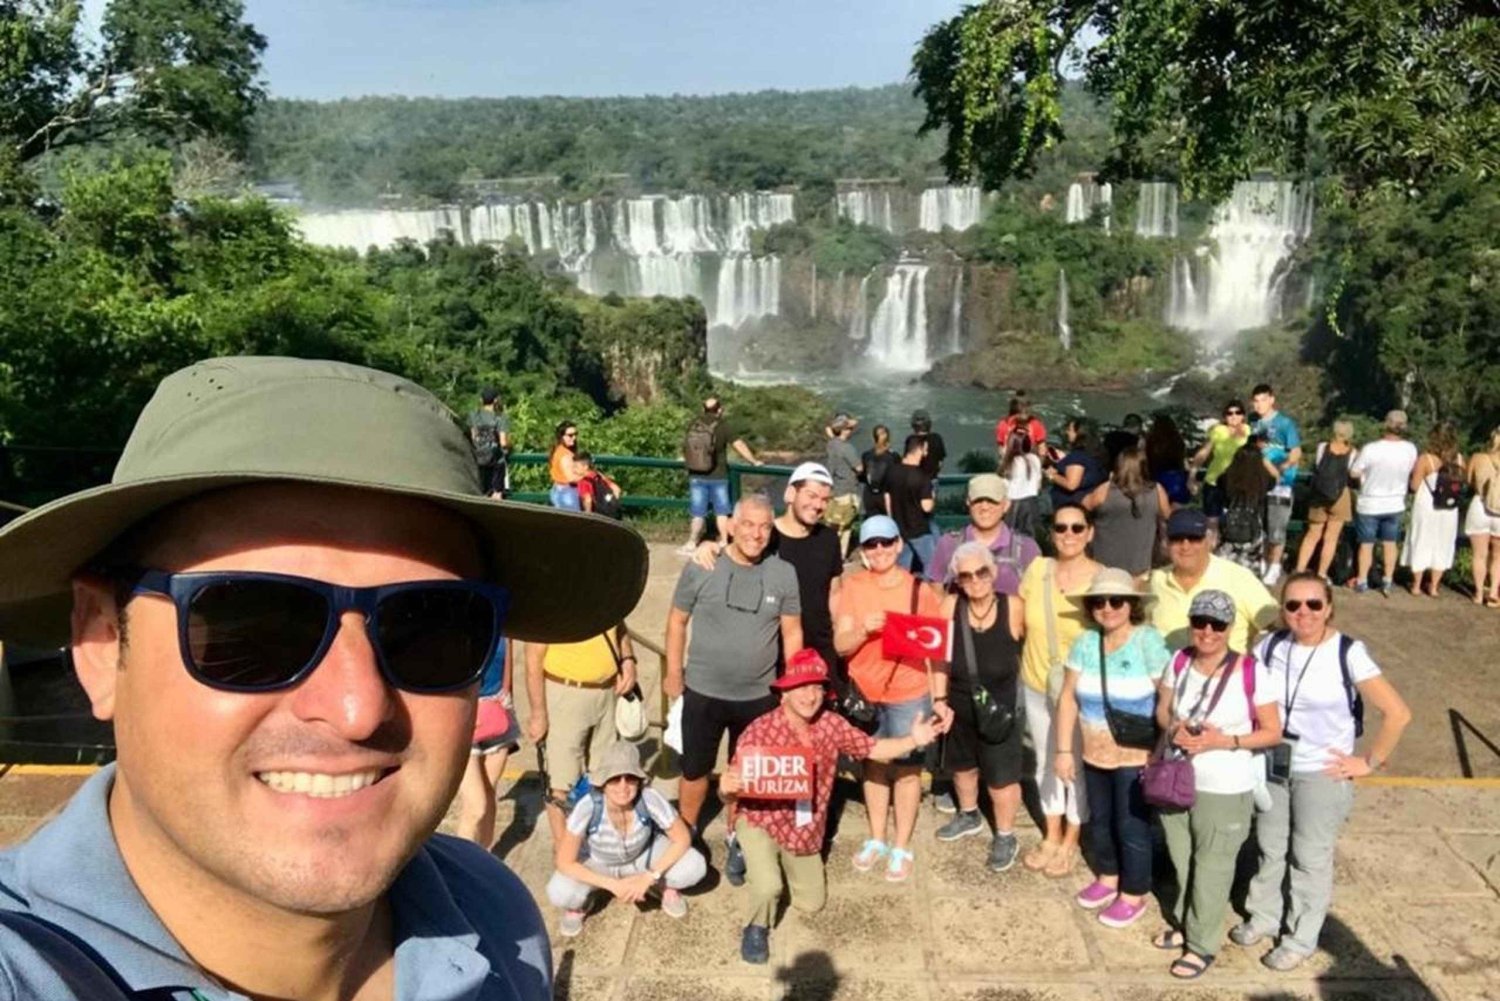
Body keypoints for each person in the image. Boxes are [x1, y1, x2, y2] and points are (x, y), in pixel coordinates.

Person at [0, 357, 651, 999]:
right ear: (99, 641)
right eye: (252, 625)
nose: (357, 706)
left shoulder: (496, 917)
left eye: (429, 627)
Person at [1235, 572, 1412, 971]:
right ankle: (1263, 915)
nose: (1303, 613)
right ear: (1282, 610)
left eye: (1314, 604)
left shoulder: (1348, 652)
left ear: (1329, 607)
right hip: (1274, 764)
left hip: (1322, 771)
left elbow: (1398, 713)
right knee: (1269, 845)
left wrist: (1367, 762)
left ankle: (1300, 937)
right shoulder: (1270, 646)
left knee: (1309, 856)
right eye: (1293, 605)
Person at [719, 649, 942, 964]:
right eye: (801, 687)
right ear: (783, 693)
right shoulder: (758, 731)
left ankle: (767, 862)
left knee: (811, 903)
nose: (810, 696)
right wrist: (725, 791)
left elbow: (873, 748)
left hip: (803, 825)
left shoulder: (831, 725)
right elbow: (733, 792)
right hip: (760, 820)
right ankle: (755, 924)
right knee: (768, 887)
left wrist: (913, 740)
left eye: (816, 687)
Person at [665, 494, 802, 869]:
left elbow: (792, 633)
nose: (756, 534)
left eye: (764, 527)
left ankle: (736, 834)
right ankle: (686, 832)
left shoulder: (783, 573)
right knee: (694, 769)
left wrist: (791, 688)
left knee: (745, 773)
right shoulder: (702, 566)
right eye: (748, 524)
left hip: (758, 696)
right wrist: (673, 674)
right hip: (703, 691)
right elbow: (677, 621)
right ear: (732, 526)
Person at [1152, 590, 1284, 979]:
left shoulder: (1251, 671)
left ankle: (1202, 944)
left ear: (1230, 628)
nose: (1207, 631)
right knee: (1181, 857)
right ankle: (1185, 922)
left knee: (1213, 864)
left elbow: (1272, 731)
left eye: (1217, 624)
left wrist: (1221, 740)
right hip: (1178, 777)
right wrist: (1174, 727)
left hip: (1225, 784)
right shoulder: (1178, 661)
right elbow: (1162, 709)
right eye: (1200, 622)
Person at [831, 515, 952, 883]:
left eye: (886, 542)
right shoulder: (851, 588)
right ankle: (877, 837)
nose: (880, 550)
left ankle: (901, 845)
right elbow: (840, 645)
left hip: (909, 692)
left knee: (908, 769)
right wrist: (863, 631)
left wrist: (940, 698)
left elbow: (937, 652)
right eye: (871, 544)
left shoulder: (921, 591)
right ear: (863, 551)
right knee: (873, 765)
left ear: (900, 545)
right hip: (865, 694)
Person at [1053, 568, 1171, 929]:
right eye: (1100, 601)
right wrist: (1063, 750)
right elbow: (1069, 696)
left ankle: (1134, 892)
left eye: (1116, 600)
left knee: (1131, 824)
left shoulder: (1148, 641)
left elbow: (1167, 697)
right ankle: (1108, 876)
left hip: (1137, 753)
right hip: (1094, 751)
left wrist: (1161, 749)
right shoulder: (1086, 643)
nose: (1108, 608)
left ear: (1131, 605)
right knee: (1101, 820)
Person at [694, 463, 844, 694]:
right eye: (812, 496)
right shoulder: (765, 536)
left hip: (819, 652)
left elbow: (835, 592)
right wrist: (709, 545)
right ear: (790, 494)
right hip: (770, 655)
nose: (818, 505)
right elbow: (735, 549)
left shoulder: (829, 539)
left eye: (825, 499)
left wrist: (840, 635)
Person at [1016, 503, 1101, 877]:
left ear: (1090, 532)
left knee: (1075, 767)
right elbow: (1019, 619)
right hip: (1036, 681)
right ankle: (1051, 832)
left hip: (1080, 691)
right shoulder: (1038, 570)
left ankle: (1071, 838)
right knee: (1044, 762)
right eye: (1061, 527)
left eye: (1077, 528)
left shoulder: (1102, 580)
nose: (1068, 535)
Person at [546, 741, 706, 938]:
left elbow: (682, 838)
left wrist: (650, 876)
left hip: (643, 855)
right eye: (614, 779)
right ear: (602, 783)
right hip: (599, 862)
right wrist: (612, 884)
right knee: (560, 892)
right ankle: (582, 904)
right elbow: (564, 861)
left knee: (694, 866)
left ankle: (661, 886)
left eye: (630, 778)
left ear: (639, 780)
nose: (623, 786)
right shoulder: (587, 807)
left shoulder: (649, 798)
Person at [933, 542, 1027, 871]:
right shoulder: (949, 606)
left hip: (1000, 706)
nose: (975, 580)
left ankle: (1005, 834)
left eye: (982, 572)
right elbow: (938, 657)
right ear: (957, 579)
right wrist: (939, 700)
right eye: (966, 575)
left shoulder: (1013, 607)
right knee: (962, 766)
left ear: (995, 572)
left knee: (1001, 777)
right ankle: (969, 813)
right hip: (958, 702)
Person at [526, 622, 637, 842]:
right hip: (567, 693)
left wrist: (628, 660)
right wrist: (538, 713)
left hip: (608, 693)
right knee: (560, 781)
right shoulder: (552, 603)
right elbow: (532, 660)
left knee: (607, 773)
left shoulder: (609, 595)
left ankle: (600, 840)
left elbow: (620, 630)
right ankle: (564, 851)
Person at [1149, 508, 1279, 651]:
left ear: (1209, 541)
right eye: (1177, 539)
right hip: (1166, 670)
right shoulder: (1156, 580)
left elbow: (1275, 622)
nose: (1185, 546)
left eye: (1194, 538)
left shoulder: (1238, 578)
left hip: (1225, 670)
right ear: (1167, 543)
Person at [928, 474, 1041, 596]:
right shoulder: (948, 544)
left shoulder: (1026, 548)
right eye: (978, 501)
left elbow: (1038, 598)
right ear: (968, 503)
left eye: (992, 501)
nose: (985, 507)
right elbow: (936, 593)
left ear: (1006, 505)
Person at [457, 633, 519, 848]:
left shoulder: (502, 625)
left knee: (489, 793)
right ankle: (461, 868)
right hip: (465, 717)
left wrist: (506, 693)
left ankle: (484, 859)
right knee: (476, 805)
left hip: (498, 711)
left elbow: (507, 657)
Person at [680, 396, 764, 554]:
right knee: (721, 511)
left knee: (698, 512)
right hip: (718, 475)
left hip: (696, 474)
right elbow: (738, 444)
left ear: (703, 409)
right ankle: (724, 541)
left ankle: (691, 542)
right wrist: (753, 461)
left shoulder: (694, 424)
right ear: (720, 410)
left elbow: (687, 446)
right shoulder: (723, 426)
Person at [1348, 409, 1419, 595]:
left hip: (1370, 502)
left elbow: (1354, 472)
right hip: (1395, 502)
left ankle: (1362, 580)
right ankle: (1388, 579)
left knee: (1366, 544)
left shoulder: (1371, 448)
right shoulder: (1410, 449)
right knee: (1390, 543)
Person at [1083, 446, 1168, 578]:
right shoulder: (1157, 491)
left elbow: (1081, 508)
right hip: (1140, 568)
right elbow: (1169, 516)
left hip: (1105, 567)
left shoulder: (1104, 491)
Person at [1250, 383, 1303, 586]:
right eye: (1256, 400)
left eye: (1263, 400)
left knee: (1277, 528)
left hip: (1281, 484)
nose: (1259, 404)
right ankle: (1262, 562)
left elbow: (1296, 451)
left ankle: (1275, 565)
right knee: (1259, 526)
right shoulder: (1252, 423)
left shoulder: (1285, 424)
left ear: (1272, 400)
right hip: (1257, 483)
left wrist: (1283, 467)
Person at [1402, 422, 1464, 596]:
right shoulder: (1459, 459)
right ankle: (1434, 587)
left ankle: (1416, 585)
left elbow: (1414, 486)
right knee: (1443, 543)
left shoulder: (1425, 459)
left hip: (1427, 506)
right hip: (1449, 508)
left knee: (1422, 541)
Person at [1295, 420, 1357, 580]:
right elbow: (1353, 474)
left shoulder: (1322, 447)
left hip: (1319, 494)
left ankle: (1300, 569)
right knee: (1331, 538)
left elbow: (1316, 466)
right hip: (1340, 495)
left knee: (1312, 534)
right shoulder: (1353, 452)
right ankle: (1322, 573)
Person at [1217, 437, 1278, 577]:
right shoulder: (1262, 481)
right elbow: (1276, 477)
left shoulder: (1228, 479)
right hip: (1253, 524)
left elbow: (1220, 480)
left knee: (1226, 569)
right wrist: (1265, 461)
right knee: (1249, 573)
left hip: (1230, 523)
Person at [884, 434, 937, 573]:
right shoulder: (922, 477)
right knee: (932, 565)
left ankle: (903, 593)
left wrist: (892, 522)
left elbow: (887, 498)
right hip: (919, 530)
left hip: (899, 528)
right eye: (925, 449)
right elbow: (927, 507)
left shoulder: (891, 471)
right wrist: (933, 496)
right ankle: (927, 592)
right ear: (920, 449)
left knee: (902, 568)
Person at [1190, 400, 1251, 520]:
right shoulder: (1218, 431)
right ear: (1225, 416)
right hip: (1214, 482)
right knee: (1212, 522)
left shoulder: (1249, 431)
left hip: (1239, 485)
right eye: (1230, 413)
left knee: (1236, 523)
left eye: (1238, 412)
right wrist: (1192, 476)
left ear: (1243, 415)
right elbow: (1204, 453)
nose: (1234, 416)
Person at [1465, 427, 1500, 607]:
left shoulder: (1478, 458)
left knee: (1479, 555)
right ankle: (1493, 592)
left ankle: (1478, 593)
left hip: (1479, 505)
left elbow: (1468, 480)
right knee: (1498, 556)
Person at [1044, 417, 1106, 509]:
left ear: (1079, 433)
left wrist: (1051, 475)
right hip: (1086, 501)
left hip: (1070, 504)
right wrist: (1063, 460)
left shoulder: (1077, 456)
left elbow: (1071, 484)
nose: (1067, 433)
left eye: (1070, 430)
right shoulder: (1097, 453)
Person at [824, 413, 864, 554]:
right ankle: (837, 558)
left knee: (836, 527)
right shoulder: (847, 448)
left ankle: (836, 557)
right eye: (848, 429)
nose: (851, 431)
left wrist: (846, 424)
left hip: (835, 490)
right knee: (843, 528)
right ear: (844, 430)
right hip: (847, 491)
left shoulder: (831, 444)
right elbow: (859, 468)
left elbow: (831, 430)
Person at [1000, 427, 1044, 537]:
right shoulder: (1034, 459)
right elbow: (1038, 485)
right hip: (1032, 503)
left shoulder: (1009, 463)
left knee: (1011, 539)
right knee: (1032, 538)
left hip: (1013, 506)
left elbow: (1003, 488)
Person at [469, 385, 511, 498]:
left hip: (479, 458)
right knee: (496, 494)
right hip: (495, 460)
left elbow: (474, 437)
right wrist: (510, 445)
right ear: (496, 400)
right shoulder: (501, 418)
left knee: (482, 493)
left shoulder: (474, 416)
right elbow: (503, 442)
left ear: (481, 400)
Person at [1145, 414, 1192, 507]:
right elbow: (1183, 459)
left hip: (1155, 475)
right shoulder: (1178, 440)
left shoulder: (1151, 441)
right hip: (1176, 475)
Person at [860, 423, 897, 520]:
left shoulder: (866, 455)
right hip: (886, 495)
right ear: (888, 438)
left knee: (872, 522)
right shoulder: (893, 456)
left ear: (873, 438)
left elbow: (863, 476)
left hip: (869, 495)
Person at [575, 451, 624, 518]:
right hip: (613, 514)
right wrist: (612, 505)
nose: (574, 470)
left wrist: (587, 516)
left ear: (585, 467)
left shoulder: (583, 482)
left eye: (576, 467)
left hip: (598, 515)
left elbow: (588, 500)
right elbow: (617, 489)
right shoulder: (598, 475)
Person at [550, 420, 584, 510]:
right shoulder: (565, 455)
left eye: (576, 434)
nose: (574, 437)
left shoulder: (559, 450)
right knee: (573, 521)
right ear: (561, 436)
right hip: (567, 492)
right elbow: (571, 478)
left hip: (559, 490)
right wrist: (589, 475)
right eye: (570, 435)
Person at [911, 408, 947, 483]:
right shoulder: (937, 438)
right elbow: (940, 462)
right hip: (932, 480)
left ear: (914, 426)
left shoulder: (911, 440)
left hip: (915, 482)